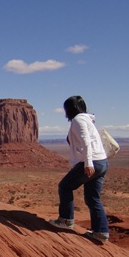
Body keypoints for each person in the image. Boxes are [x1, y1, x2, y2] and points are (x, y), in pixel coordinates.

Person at [49, 95, 110, 242]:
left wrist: (88, 163)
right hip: (102, 162)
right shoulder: (88, 120)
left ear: (70, 109)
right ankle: (101, 232)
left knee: (65, 186)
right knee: (92, 198)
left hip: (92, 162)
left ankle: (66, 220)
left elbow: (86, 141)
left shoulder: (78, 120)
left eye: (65, 109)